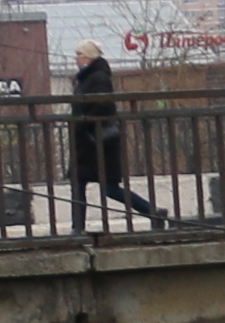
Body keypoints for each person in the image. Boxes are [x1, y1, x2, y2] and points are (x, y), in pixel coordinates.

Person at [67, 40, 162, 233]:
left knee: (108, 188)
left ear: (89, 56)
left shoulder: (99, 77)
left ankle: (153, 211)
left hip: (99, 142)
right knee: (78, 183)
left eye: (80, 54)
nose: (77, 58)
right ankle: (77, 228)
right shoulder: (87, 78)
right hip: (87, 142)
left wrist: (83, 120)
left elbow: (104, 106)